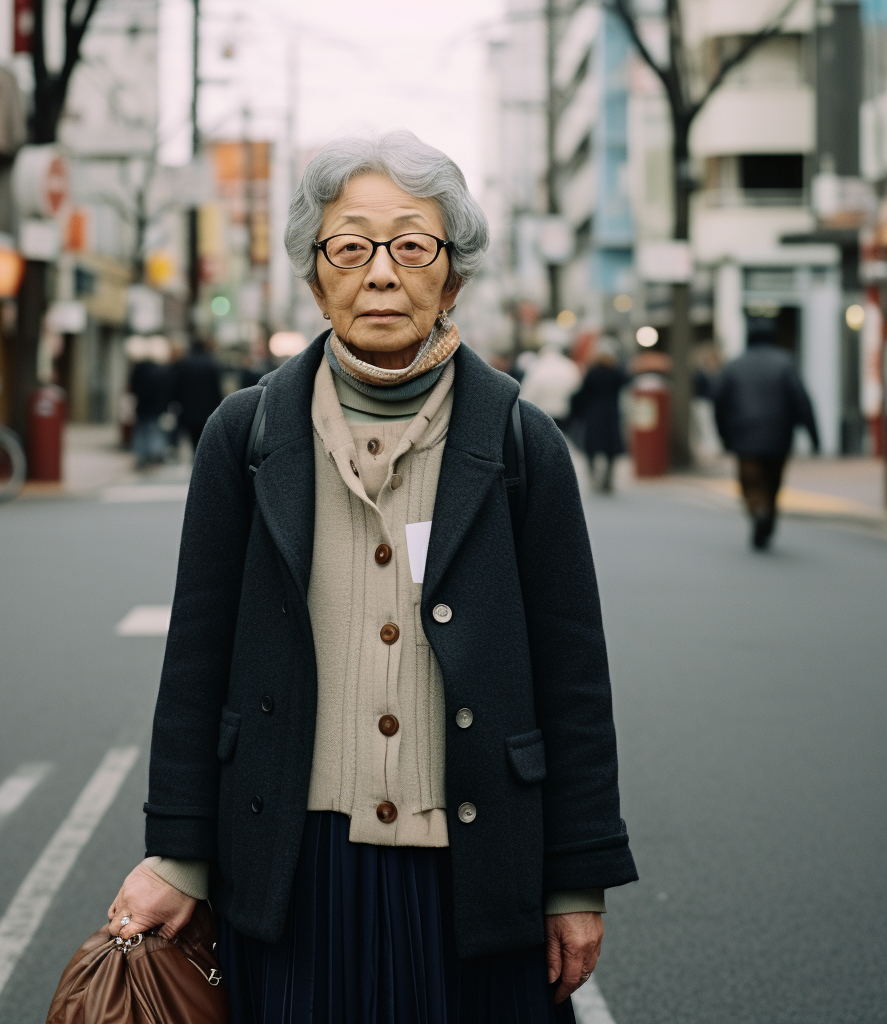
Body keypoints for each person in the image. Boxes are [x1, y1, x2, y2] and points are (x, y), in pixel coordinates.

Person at [107, 130, 636, 1024]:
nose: (381, 273)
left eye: (412, 245)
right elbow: (196, 665)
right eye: (350, 247)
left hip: (477, 867)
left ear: (453, 274)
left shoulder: (520, 443)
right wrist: (178, 853)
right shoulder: (247, 438)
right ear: (316, 278)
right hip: (290, 867)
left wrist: (576, 877)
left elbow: (573, 677)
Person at [713, 324, 820, 549]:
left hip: (744, 435)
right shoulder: (785, 362)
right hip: (779, 435)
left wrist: (723, 436)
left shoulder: (734, 365)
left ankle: (758, 511)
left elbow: (719, 403)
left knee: (751, 480)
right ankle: (768, 516)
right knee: (773, 480)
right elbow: (801, 399)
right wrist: (814, 436)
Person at [572, 338, 629, 492]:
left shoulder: (592, 373)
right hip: (611, 413)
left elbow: (582, 393)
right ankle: (608, 479)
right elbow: (626, 382)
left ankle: (593, 476)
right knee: (610, 448)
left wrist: (577, 411)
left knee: (592, 447)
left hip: (594, 414)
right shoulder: (616, 372)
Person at [171, 338, 224, 451]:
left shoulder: (183, 363)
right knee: (205, 438)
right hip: (208, 408)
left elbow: (176, 387)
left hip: (188, 409)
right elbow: (216, 389)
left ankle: (195, 460)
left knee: (193, 439)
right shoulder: (210, 363)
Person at [520, 338, 583, 434]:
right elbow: (577, 387)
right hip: (563, 411)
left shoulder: (537, 367)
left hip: (542, 412)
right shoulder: (568, 366)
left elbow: (528, 393)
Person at [128, 335, 172, 468]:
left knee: (141, 431)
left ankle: (141, 457)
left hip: (142, 406)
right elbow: (166, 389)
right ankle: (154, 456)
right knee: (155, 431)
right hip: (157, 407)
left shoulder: (138, 368)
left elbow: (133, 387)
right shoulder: (162, 370)